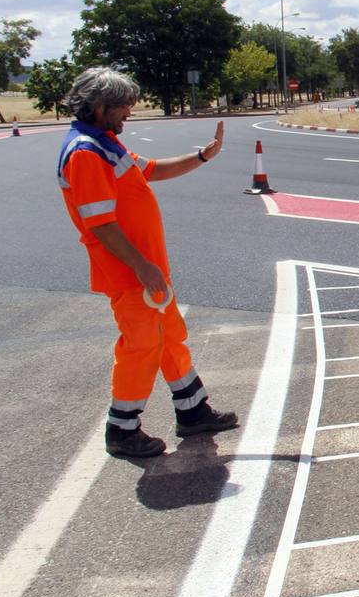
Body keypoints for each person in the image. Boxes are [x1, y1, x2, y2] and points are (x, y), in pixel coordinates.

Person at [57, 67, 239, 457]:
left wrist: (202, 156)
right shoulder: (86, 154)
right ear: (100, 106)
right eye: (124, 107)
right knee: (140, 346)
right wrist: (142, 266)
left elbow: (152, 170)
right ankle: (122, 430)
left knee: (169, 336)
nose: (129, 114)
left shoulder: (105, 143)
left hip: (147, 270)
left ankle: (192, 411)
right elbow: (100, 223)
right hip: (130, 272)